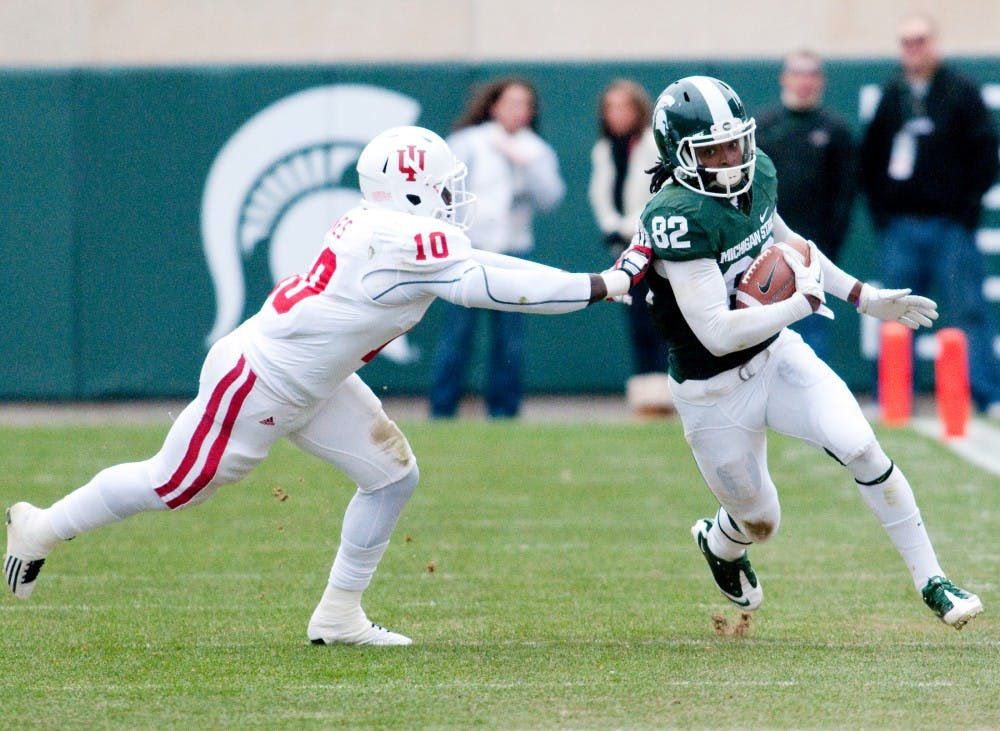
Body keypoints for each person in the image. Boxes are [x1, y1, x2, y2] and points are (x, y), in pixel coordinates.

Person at [3, 125, 649, 645]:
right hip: (258, 382)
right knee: (171, 484)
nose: (455, 197)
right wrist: (605, 283)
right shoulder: (401, 237)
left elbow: (480, 267)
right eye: (443, 186)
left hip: (315, 380)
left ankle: (338, 614)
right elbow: (491, 284)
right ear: (412, 191)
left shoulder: (385, 225)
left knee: (393, 475)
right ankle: (42, 525)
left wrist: (596, 281)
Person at [640, 75, 982, 629]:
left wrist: (863, 297)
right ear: (680, 156)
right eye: (714, 149)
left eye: (735, 143)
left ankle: (933, 581)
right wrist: (802, 305)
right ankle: (720, 544)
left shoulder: (758, 174)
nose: (731, 159)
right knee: (760, 521)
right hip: (713, 390)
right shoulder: (676, 218)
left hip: (777, 357)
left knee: (862, 447)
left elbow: (791, 245)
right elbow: (718, 332)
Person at [860, 12, 1000, 414]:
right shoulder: (892, 96)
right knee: (893, 312)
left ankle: (986, 394)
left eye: (921, 40)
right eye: (906, 42)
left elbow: (985, 154)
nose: (914, 49)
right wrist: (885, 216)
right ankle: (891, 397)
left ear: (934, 43)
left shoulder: (960, 92)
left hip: (949, 226)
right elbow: (870, 161)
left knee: (966, 310)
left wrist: (964, 210)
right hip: (902, 227)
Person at [429, 77, 566, 419]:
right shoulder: (467, 142)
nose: (518, 111)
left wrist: (526, 164)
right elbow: (441, 190)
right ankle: (442, 410)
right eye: (511, 103)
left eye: (525, 104)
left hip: (512, 254)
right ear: (493, 105)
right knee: (457, 335)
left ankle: (504, 412)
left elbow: (550, 198)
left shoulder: (535, 149)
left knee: (510, 342)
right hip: (467, 253)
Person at [755, 50, 857, 363]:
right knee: (763, 330)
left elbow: (845, 196)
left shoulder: (836, 130)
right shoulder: (764, 126)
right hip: (766, 249)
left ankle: (810, 402)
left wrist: (825, 248)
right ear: (784, 78)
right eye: (798, 72)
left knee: (812, 329)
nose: (804, 81)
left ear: (821, 80)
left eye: (812, 73)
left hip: (813, 248)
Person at [588, 79, 673, 418]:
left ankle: (671, 396)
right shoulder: (604, 149)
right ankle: (649, 399)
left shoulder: (653, 145)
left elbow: (659, 193)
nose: (617, 115)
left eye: (624, 107)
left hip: (657, 247)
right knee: (636, 321)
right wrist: (611, 225)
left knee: (658, 320)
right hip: (625, 251)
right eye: (610, 108)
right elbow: (601, 194)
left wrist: (627, 226)